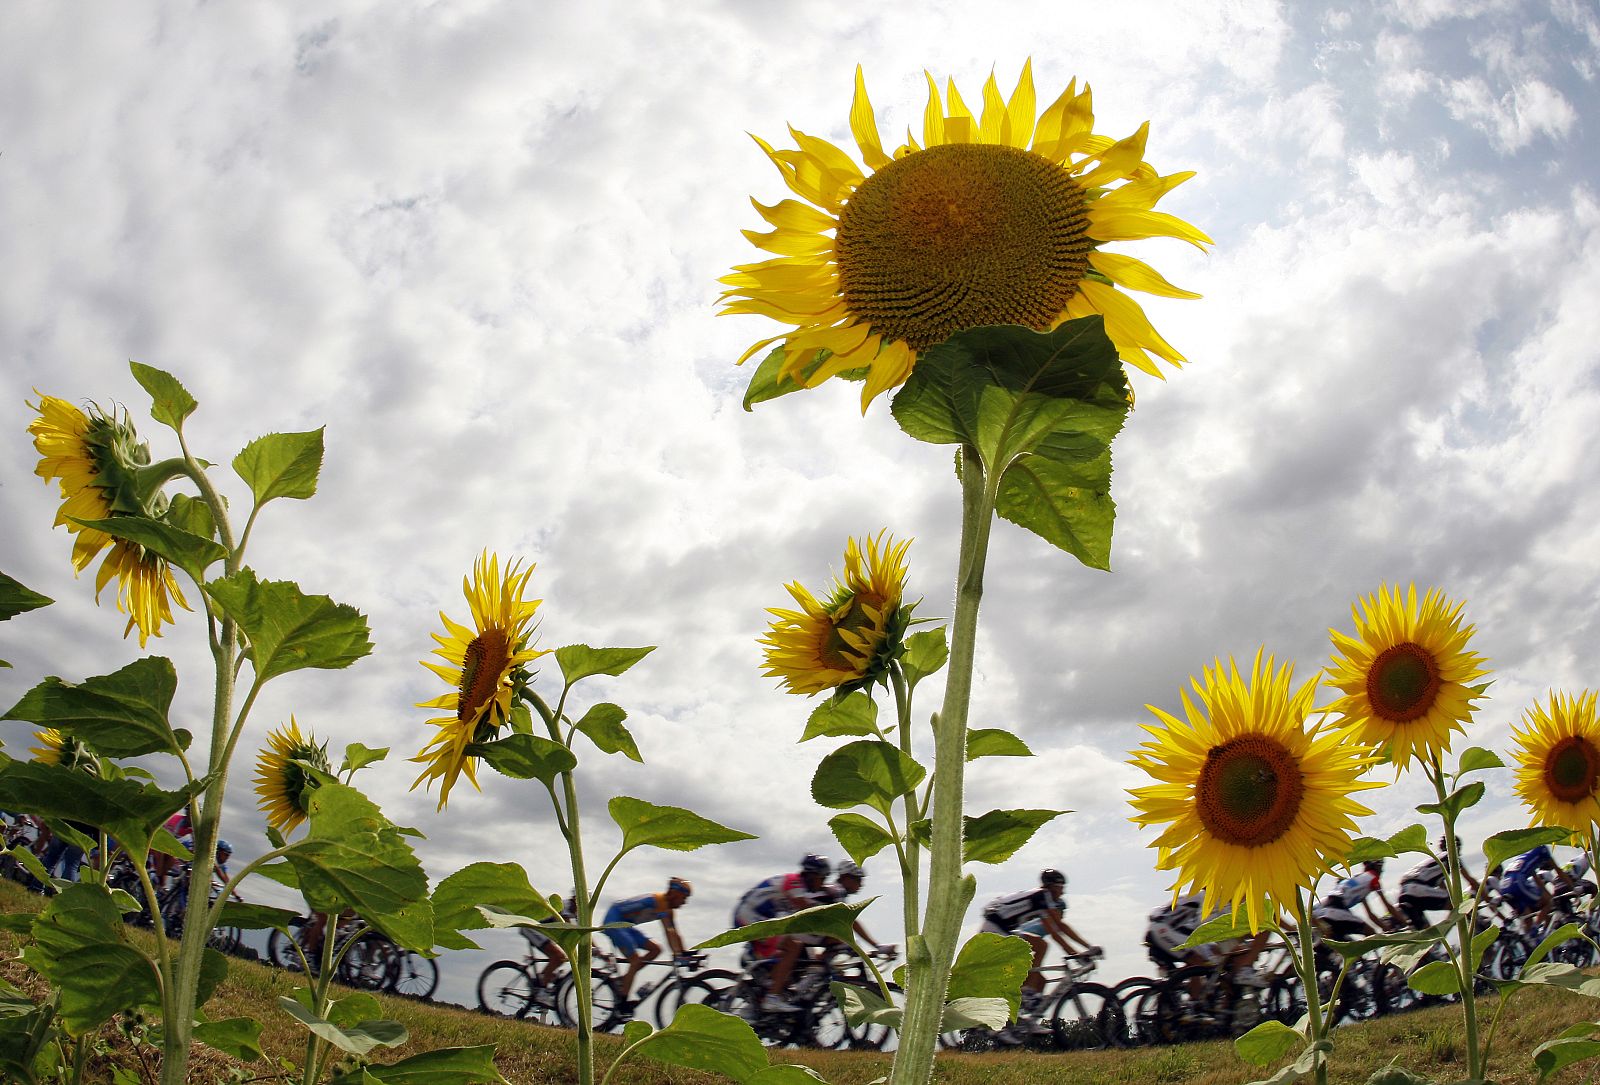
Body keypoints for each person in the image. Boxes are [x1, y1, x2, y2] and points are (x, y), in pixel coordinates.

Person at [979, 869, 1101, 1004]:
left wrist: (1081, 951)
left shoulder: (1039, 900)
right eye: (1060, 888)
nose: (1062, 892)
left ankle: (1027, 1012)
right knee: (1040, 946)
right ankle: (1026, 992)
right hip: (996, 927)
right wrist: (1082, 951)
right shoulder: (1042, 896)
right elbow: (1059, 928)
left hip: (1000, 927)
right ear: (1051, 887)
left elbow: (1057, 930)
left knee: (1040, 976)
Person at [731, 853, 832, 1012]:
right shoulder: (794, 881)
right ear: (813, 874)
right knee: (793, 946)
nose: (823, 883)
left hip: (756, 917)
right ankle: (771, 997)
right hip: (748, 915)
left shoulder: (801, 887)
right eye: (823, 878)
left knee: (789, 953)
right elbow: (806, 908)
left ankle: (764, 990)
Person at [601, 877, 693, 1010]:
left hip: (625, 925)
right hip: (613, 922)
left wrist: (684, 952)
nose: (684, 902)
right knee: (635, 960)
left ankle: (625, 979)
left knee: (656, 949)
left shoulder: (668, 910)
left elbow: (675, 932)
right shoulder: (660, 901)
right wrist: (677, 954)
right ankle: (622, 1002)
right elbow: (668, 930)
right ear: (674, 893)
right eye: (684, 898)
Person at [1145, 891, 1270, 988]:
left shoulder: (1192, 895)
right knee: (1199, 962)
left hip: (1158, 928)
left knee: (1199, 962)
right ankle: (1192, 999)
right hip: (1164, 929)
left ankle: (1184, 995)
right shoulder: (1206, 897)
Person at [1397, 838, 1482, 931]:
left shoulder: (1434, 860)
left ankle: (1435, 943)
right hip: (1417, 888)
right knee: (1459, 906)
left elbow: (1445, 890)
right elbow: (1471, 881)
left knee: (1425, 932)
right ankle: (1475, 930)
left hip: (1404, 893)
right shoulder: (1450, 856)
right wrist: (1486, 898)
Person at [819, 861, 894, 957]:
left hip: (817, 934)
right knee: (848, 946)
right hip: (812, 932)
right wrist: (878, 946)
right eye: (858, 880)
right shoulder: (837, 891)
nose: (861, 885)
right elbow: (850, 921)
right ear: (845, 877)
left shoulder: (835, 890)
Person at [1313, 860, 1396, 941]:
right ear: (1376, 866)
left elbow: (1370, 915)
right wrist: (1394, 930)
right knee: (1371, 933)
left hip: (1325, 910)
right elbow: (1387, 906)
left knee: (1347, 946)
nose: (1382, 870)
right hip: (1336, 908)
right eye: (1381, 867)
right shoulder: (1373, 878)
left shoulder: (1358, 879)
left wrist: (1385, 929)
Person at [1499, 844, 1577, 929]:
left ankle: (1526, 939)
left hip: (1504, 886)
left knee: (1528, 918)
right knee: (1547, 903)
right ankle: (1535, 930)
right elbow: (1559, 872)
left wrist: (1549, 897)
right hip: (1517, 881)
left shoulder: (1526, 855)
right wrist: (1573, 888)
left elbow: (1538, 882)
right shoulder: (1542, 850)